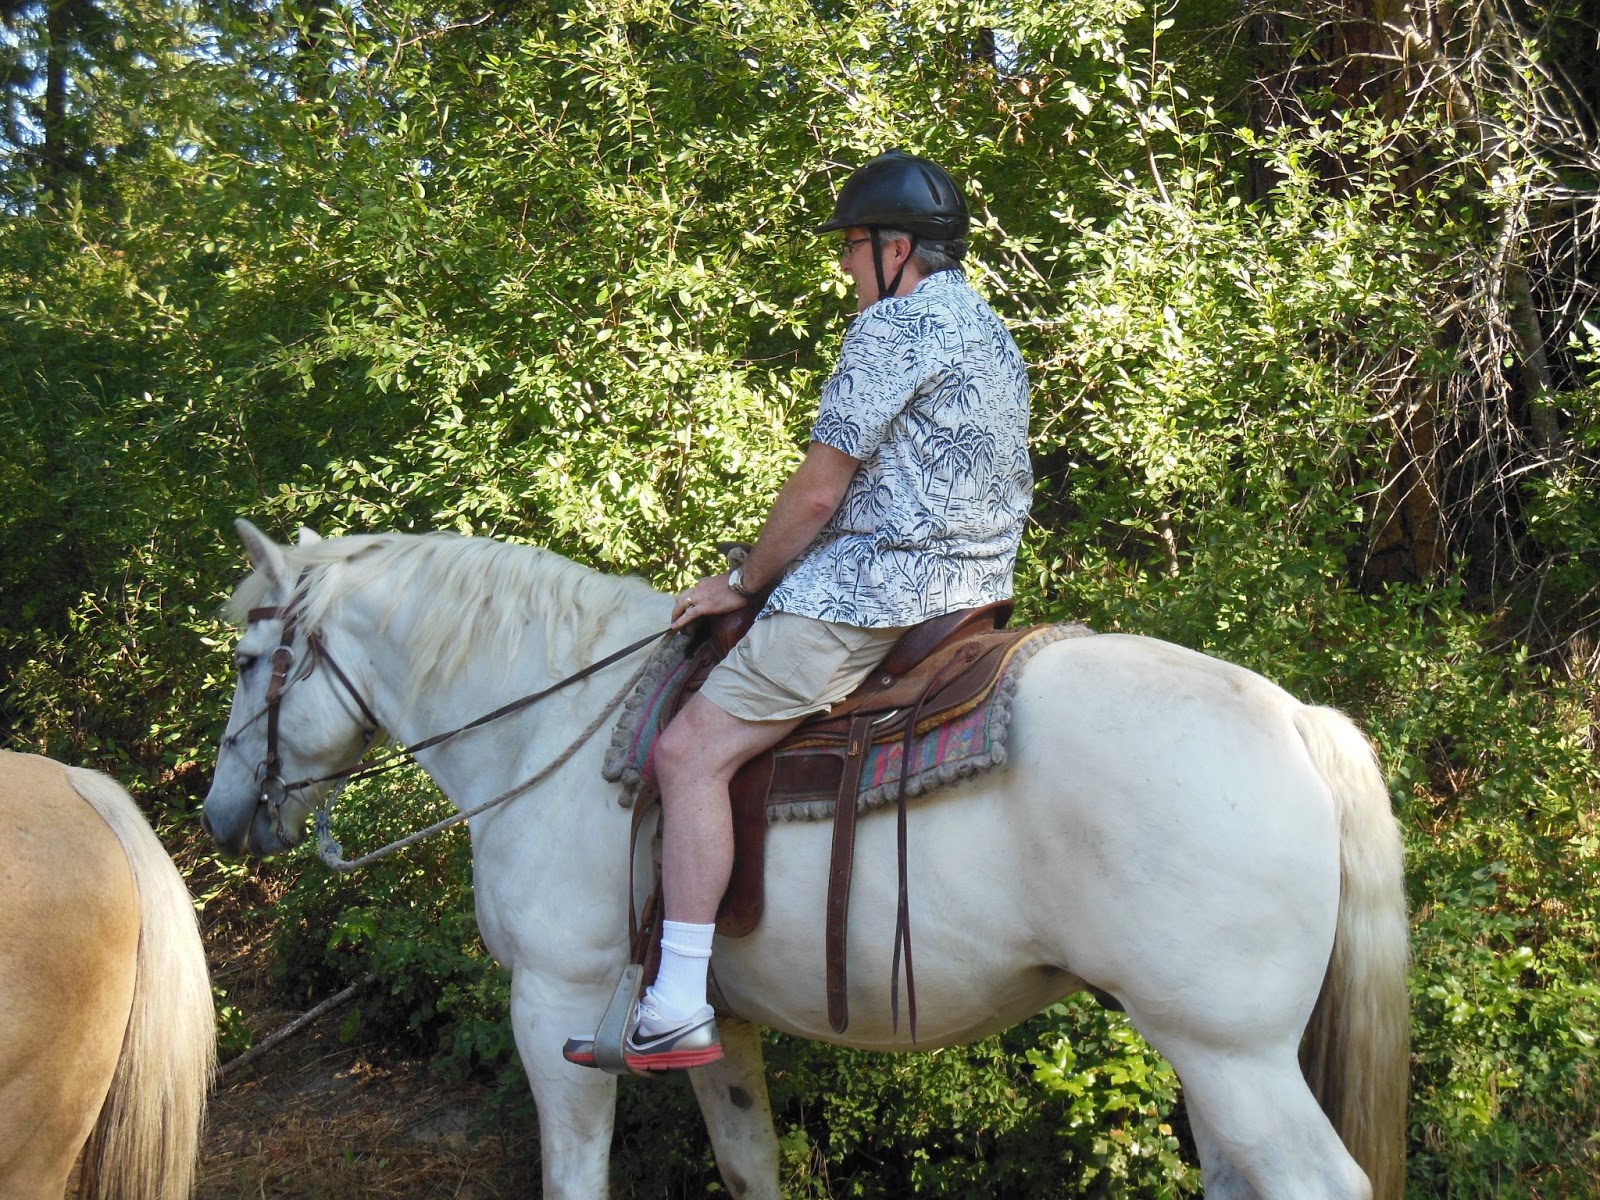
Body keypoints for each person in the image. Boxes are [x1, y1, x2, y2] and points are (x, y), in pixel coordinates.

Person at [566, 149, 1033, 1071]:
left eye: (853, 245)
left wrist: (742, 582)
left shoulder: (893, 328)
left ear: (896, 249)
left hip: (874, 595)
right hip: (976, 590)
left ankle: (676, 1001)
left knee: (687, 753)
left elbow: (819, 494)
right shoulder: (990, 331)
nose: (846, 264)